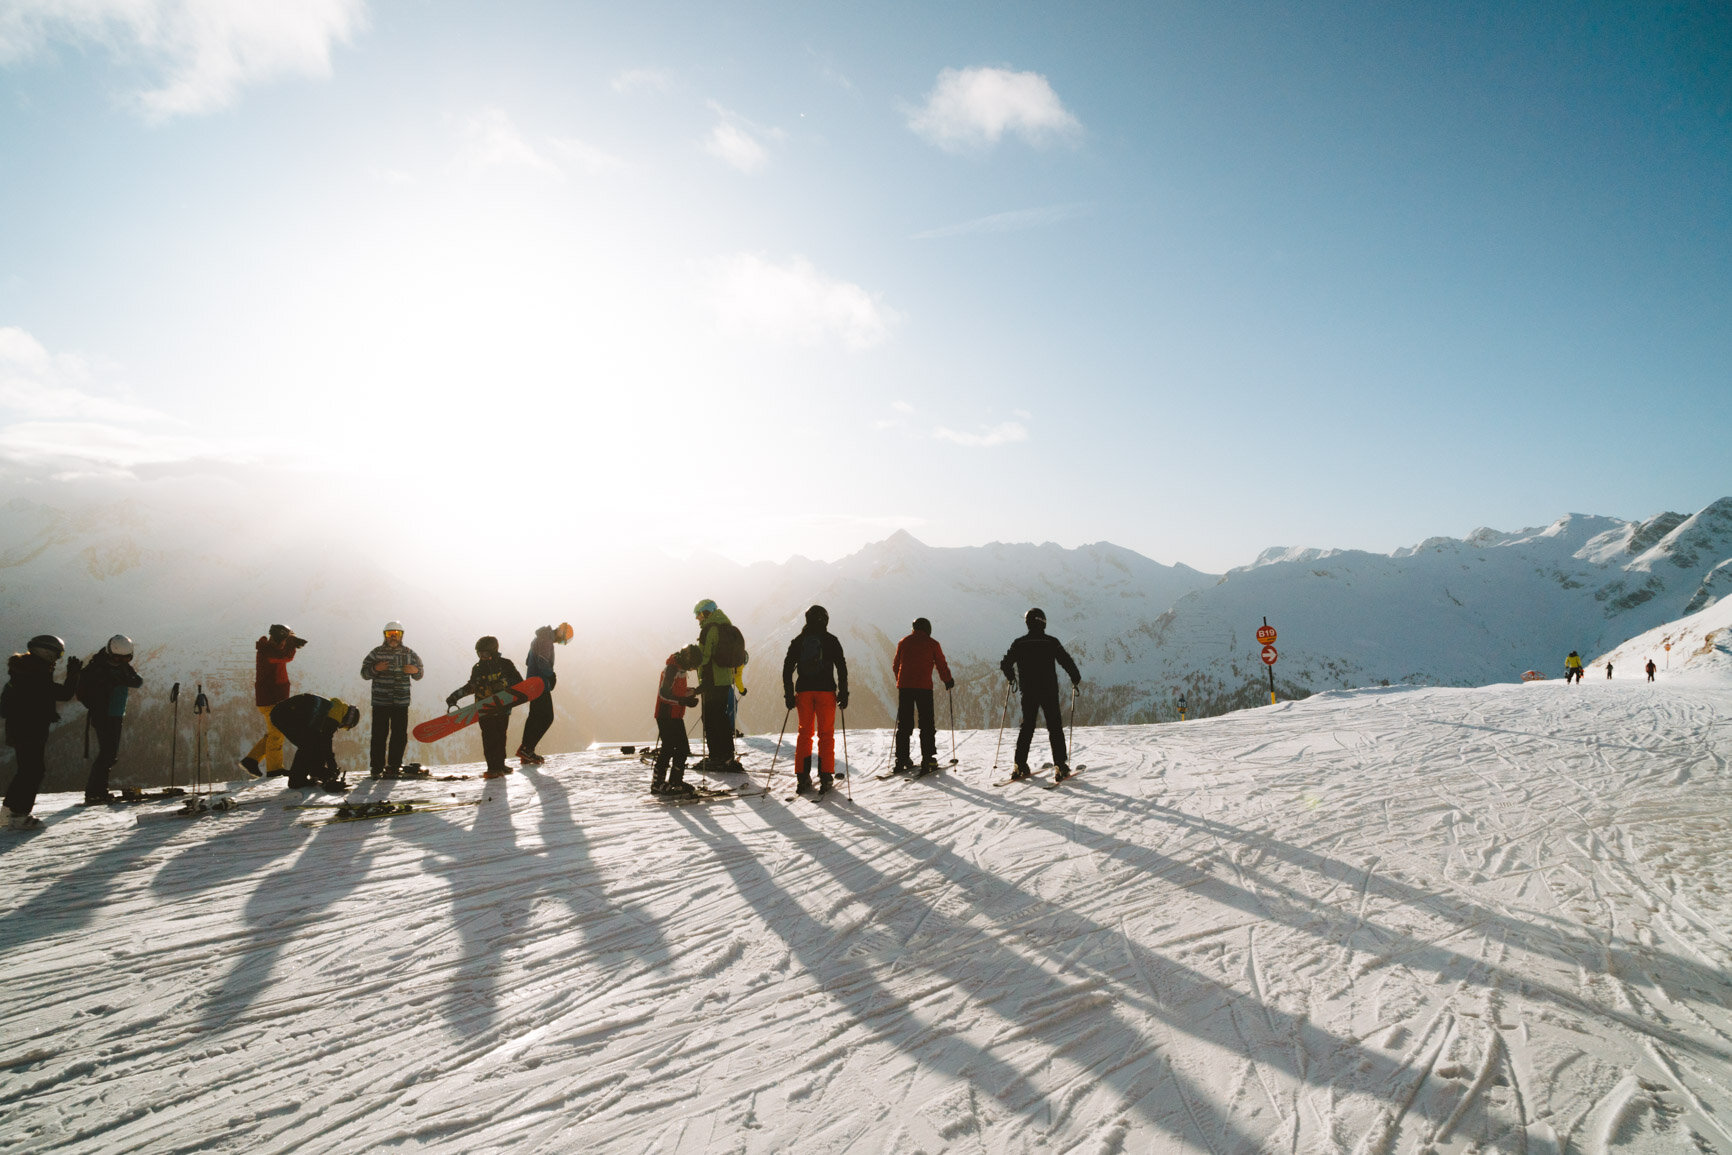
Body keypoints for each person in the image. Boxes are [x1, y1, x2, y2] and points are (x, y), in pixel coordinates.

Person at [2, 635, 81, 830]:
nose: (58, 658)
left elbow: (33, 698)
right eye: (57, 654)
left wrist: (44, 711)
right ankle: (19, 815)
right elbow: (63, 694)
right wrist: (73, 676)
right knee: (33, 771)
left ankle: (8, 813)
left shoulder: (25, 669)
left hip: (21, 728)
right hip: (30, 730)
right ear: (46, 652)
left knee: (27, 770)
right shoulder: (35, 672)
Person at [1000, 608, 1081, 781]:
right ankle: (1060, 764)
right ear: (1043, 622)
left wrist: (1011, 677)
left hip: (1028, 691)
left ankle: (1019, 764)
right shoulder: (1051, 642)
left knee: (1027, 726)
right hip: (1048, 690)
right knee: (1054, 726)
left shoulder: (1019, 643)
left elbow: (1005, 663)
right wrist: (1075, 677)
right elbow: (1065, 660)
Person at [781, 605, 848, 795]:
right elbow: (841, 667)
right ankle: (826, 775)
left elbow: (787, 668)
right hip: (826, 692)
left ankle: (802, 777)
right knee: (826, 734)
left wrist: (788, 694)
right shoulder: (831, 640)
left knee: (805, 733)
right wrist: (843, 692)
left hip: (803, 692)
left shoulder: (799, 641)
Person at [77, 635, 144, 804]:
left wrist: (120, 677)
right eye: (117, 657)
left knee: (108, 754)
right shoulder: (99, 668)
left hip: (114, 714)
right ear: (110, 653)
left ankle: (97, 791)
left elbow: (137, 682)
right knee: (107, 754)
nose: (121, 661)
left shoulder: (119, 668)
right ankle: (95, 792)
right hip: (105, 715)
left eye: (126, 658)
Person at [446, 637, 522, 779]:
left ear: (493, 651)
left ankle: (500, 765)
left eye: (485, 654)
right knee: (489, 737)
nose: (482, 657)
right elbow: (472, 686)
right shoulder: (478, 668)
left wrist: (503, 683)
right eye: (479, 654)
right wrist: (455, 696)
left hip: (503, 708)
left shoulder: (505, 664)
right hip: (484, 709)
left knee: (501, 736)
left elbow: (519, 681)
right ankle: (492, 767)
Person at [360, 621, 423, 778]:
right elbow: (364, 673)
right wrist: (376, 668)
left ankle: (394, 766)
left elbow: (420, 673)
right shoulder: (376, 653)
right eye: (389, 634)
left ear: (401, 635)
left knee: (399, 735)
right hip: (381, 702)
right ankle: (376, 767)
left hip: (401, 702)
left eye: (396, 634)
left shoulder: (409, 653)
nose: (393, 637)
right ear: (385, 635)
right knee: (379, 735)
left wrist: (414, 670)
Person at [691, 600, 748, 772]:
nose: (697, 619)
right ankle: (727, 755)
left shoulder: (710, 629)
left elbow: (705, 656)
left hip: (712, 679)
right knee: (721, 718)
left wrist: (694, 662)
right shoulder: (727, 626)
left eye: (699, 614)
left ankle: (716, 756)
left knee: (710, 719)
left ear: (706, 613)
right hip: (725, 679)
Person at [242, 624, 306, 777]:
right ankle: (274, 769)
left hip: (273, 698)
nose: (285, 643)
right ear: (279, 638)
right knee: (277, 734)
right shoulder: (268, 651)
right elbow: (286, 656)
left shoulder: (270, 649)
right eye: (284, 640)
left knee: (274, 732)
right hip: (271, 699)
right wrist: (291, 644)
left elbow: (283, 654)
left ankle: (251, 760)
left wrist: (290, 642)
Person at [892, 617, 954, 773]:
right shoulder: (933, 644)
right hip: (924, 688)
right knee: (926, 724)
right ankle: (928, 759)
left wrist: (901, 680)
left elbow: (895, 665)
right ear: (928, 629)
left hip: (905, 688)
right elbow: (941, 664)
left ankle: (901, 758)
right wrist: (948, 680)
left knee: (904, 723)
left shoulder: (903, 642)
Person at [269, 693, 360, 789]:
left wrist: (322, 770)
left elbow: (320, 742)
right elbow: (326, 743)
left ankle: (310, 773)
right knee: (307, 745)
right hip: (284, 714)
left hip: (282, 713)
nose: (341, 726)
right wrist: (331, 765)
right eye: (345, 726)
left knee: (311, 742)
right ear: (347, 719)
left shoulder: (335, 708)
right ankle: (296, 780)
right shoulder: (335, 716)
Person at [518, 623, 572, 765]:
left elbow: (528, 661)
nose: (561, 643)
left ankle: (526, 750)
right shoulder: (546, 641)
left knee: (535, 716)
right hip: (539, 685)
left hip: (533, 683)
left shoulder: (539, 639)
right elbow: (542, 663)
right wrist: (551, 676)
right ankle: (526, 749)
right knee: (547, 717)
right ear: (560, 632)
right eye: (563, 639)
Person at [652, 651, 701, 795]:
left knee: (682, 748)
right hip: (665, 714)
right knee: (668, 747)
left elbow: (678, 691)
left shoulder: (680, 669)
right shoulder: (672, 669)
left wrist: (693, 692)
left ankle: (675, 781)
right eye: (692, 666)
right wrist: (683, 701)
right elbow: (664, 694)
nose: (692, 669)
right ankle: (657, 784)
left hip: (675, 714)